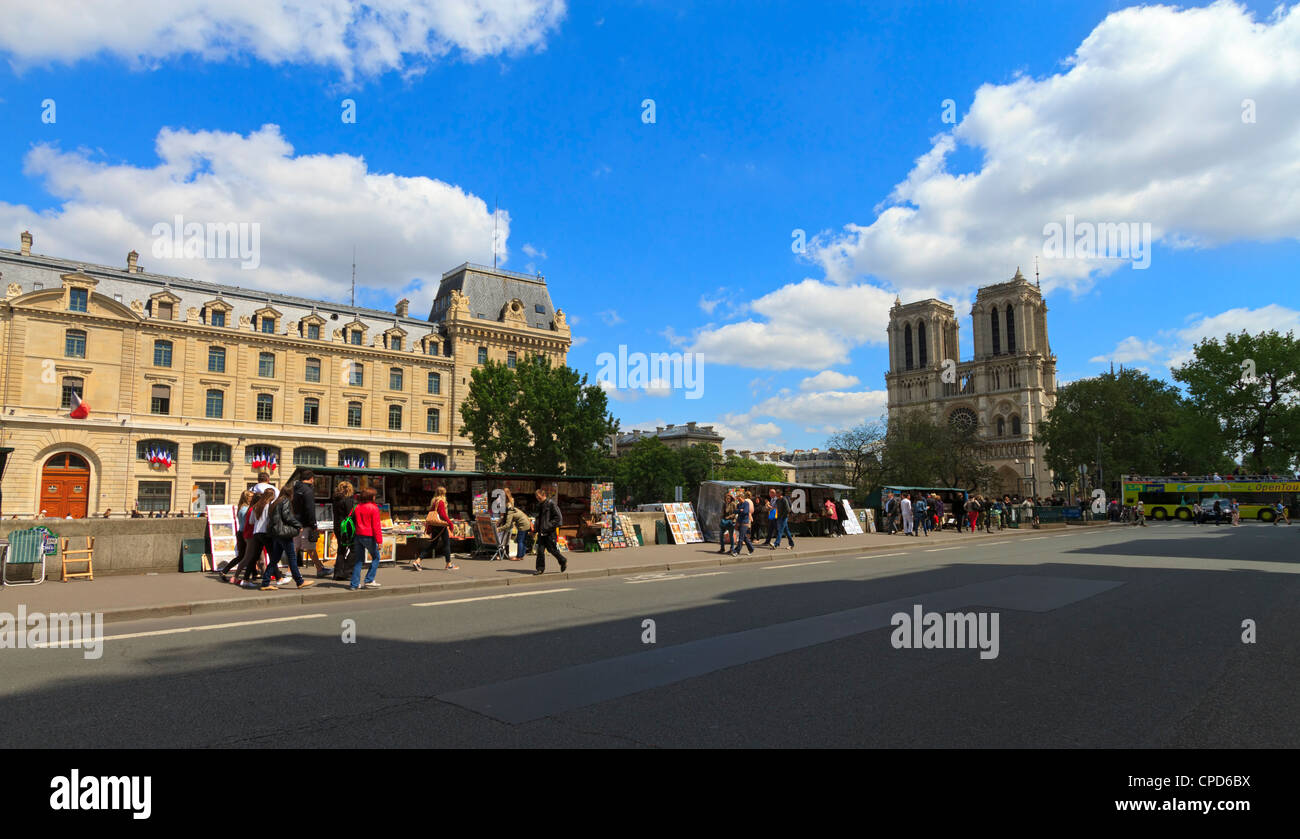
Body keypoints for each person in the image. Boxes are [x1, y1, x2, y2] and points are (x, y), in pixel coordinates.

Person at [261, 479, 314, 590]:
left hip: (277, 534)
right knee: (292, 557)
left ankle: (265, 583)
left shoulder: (276, 501)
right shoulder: (285, 501)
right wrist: (298, 525)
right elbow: (287, 516)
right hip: (284, 534)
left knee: (275, 559)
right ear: (290, 493)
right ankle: (300, 581)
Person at [224, 488, 276, 586]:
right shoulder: (249, 509)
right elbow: (250, 522)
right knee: (247, 557)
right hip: (250, 535)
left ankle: (265, 575)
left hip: (251, 534)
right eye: (250, 497)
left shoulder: (249, 508)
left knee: (257, 558)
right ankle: (236, 577)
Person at [291, 471, 331, 578]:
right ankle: (319, 569)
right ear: (311, 479)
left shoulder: (296, 489)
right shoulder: (307, 490)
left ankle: (291, 570)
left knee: (296, 547)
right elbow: (310, 509)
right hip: (305, 523)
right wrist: (313, 524)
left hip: (296, 522)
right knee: (310, 547)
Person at [349, 488, 384, 590]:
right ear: (371, 497)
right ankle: (369, 580)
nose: (375, 497)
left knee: (359, 560)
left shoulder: (357, 507)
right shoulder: (374, 508)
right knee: (376, 557)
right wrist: (379, 541)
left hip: (358, 535)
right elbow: (376, 526)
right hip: (369, 536)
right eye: (374, 495)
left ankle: (354, 584)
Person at [419, 486, 458, 571]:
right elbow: (443, 515)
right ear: (443, 493)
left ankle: (418, 561)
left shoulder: (434, 501)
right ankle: (448, 564)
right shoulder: (441, 502)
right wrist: (450, 523)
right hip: (441, 526)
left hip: (435, 525)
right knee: (446, 544)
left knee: (433, 544)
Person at [533, 487, 566, 575]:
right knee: (540, 551)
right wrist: (535, 530)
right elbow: (538, 519)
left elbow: (558, 517)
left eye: (538, 497)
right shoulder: (539, 505)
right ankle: (540, 569)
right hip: (541, 531)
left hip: (550, 532)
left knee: (552, 550)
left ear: (543, 495)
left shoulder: (551, 504)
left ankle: (562, 560)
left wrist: (549, 526)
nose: (537, 498)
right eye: (536, 497)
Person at [332, 482, 358, 581]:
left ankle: (338, 573)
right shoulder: (348, 500)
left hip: (338, 527)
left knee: (341, 549)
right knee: (354, 549)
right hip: (347, 528)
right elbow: (350, 515)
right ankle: (347, 571)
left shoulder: (336, 499)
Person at [500, 488, 532, 561]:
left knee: (520, 540)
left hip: (522, 523)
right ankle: (521, 555)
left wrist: (499, 528)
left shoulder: (509, 506)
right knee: (523, 540)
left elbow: (508, 523)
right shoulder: (511, 501)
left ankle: (518, 556)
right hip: (525, 521)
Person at [731, 490, 755, 556]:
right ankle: (751, 549)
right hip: (739, 522)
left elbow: (745, 512)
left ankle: (737, 551)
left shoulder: (746, 503)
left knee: (741, 538)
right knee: (744, 537)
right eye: (738, 500)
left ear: (742, 498)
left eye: (739, 499)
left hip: (745, 523)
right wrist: (740, 510)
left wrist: (740, 511)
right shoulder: (739, 504)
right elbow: (735, 511)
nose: (739, 501)